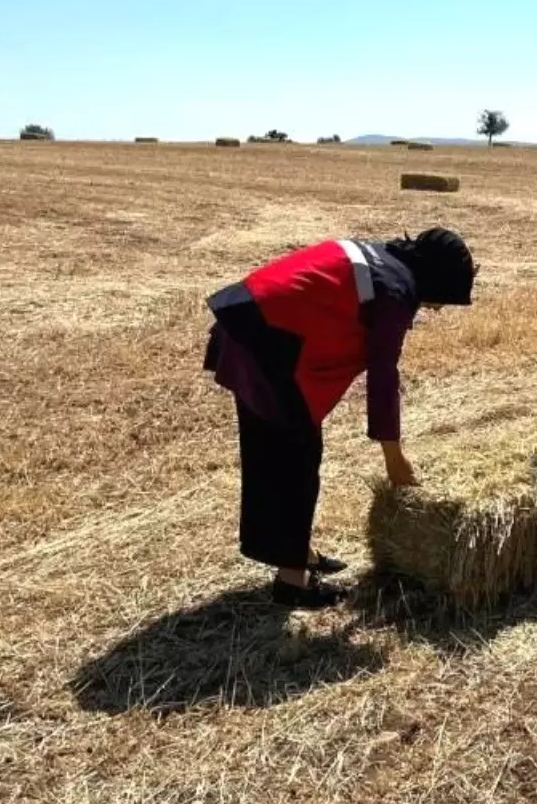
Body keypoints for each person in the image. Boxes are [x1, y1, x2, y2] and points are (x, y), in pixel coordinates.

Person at [204, 228, 477, 607]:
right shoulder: (395, 290)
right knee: (297, 460)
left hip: (247, 327)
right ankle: (292, 582)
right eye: (443, 298)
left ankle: (296, 553)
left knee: (269, 455)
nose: (437, 308)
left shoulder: (382, 259)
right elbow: (383, 377)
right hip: (267, 345)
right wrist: (393, 458)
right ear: (436, 278)